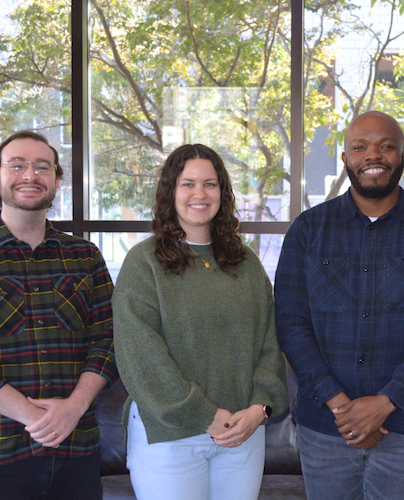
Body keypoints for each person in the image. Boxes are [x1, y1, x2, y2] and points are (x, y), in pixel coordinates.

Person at [274, 110, 404, 500]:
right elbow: (290, 323)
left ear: (403, 157)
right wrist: (342, 406)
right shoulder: (307, 231)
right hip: (325, 424)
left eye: (386, 146)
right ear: (346, 158)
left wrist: (385, 403)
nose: (373, 155)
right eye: (360, 147)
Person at [0, 130, 118, 499]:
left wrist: (73, 408)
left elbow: (109, 340)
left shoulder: (85, 256)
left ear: (57, 181)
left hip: (77, 450)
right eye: (17, 165)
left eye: (42, 167)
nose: (30, 175)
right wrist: (37, 418)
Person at [111, 143, 288, 500]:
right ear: (170, 192)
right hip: (170, 438)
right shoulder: (144, 262)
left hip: (242, 434)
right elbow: (139, 354)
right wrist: (203, 414)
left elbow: (271, 343)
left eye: (210, 184)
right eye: (188, 183)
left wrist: (260, 408)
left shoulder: (246, 263)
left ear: (222, 193)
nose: (199, 194)